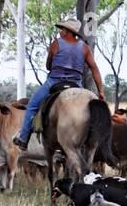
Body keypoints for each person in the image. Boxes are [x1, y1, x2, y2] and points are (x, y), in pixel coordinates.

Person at [11, 17, 106, 150]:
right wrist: (100, 91)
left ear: (67, 31)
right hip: (76, 84)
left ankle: (23, 139)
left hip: (55, 81)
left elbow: (48, 64)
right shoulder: (84, 48)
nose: (61, 31)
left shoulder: (56, 43)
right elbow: (95, 68)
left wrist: (53, 63)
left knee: (32, 105)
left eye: (63, 29)